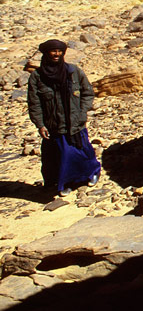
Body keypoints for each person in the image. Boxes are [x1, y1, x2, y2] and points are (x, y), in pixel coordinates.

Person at [27, 39, 101, 197]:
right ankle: (66, 182)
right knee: (61, 156)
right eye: (53, 51)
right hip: (54, 126)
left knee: (83, 151)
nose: (56, 54)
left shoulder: (73, 71)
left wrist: (82, 113)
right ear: (46, 53)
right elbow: (34, 103)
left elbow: (87, 93)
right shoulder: (37, 77)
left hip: (76, 123)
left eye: (59, 51)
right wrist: (40, 125)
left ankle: (92, 173)